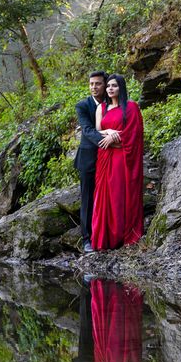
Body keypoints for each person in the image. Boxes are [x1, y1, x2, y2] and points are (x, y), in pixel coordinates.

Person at [91, 74, 144, 250]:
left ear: (121, 87)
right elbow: (97, 131)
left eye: (114, 86)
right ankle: (104, 238)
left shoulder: (131, 107)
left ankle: (120, 236)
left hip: (121, 157)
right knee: (103, 197)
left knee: (118, 194)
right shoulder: (102, 108)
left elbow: (134, 133)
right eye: (108, 86)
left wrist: (115, 137)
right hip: (105, 156)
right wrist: (111, 132)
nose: (110, 89)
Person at [73, 71, 118, 253]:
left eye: (98, 84)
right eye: (91, 84)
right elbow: (88, 130)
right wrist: (109, 137)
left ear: (105, 84)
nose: (94, 87)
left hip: (111, 159)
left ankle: (108, 235)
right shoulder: (83, 105)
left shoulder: (113, 103)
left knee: (108, 197)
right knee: (88, 199)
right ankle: (87, 239)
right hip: (89, 159)